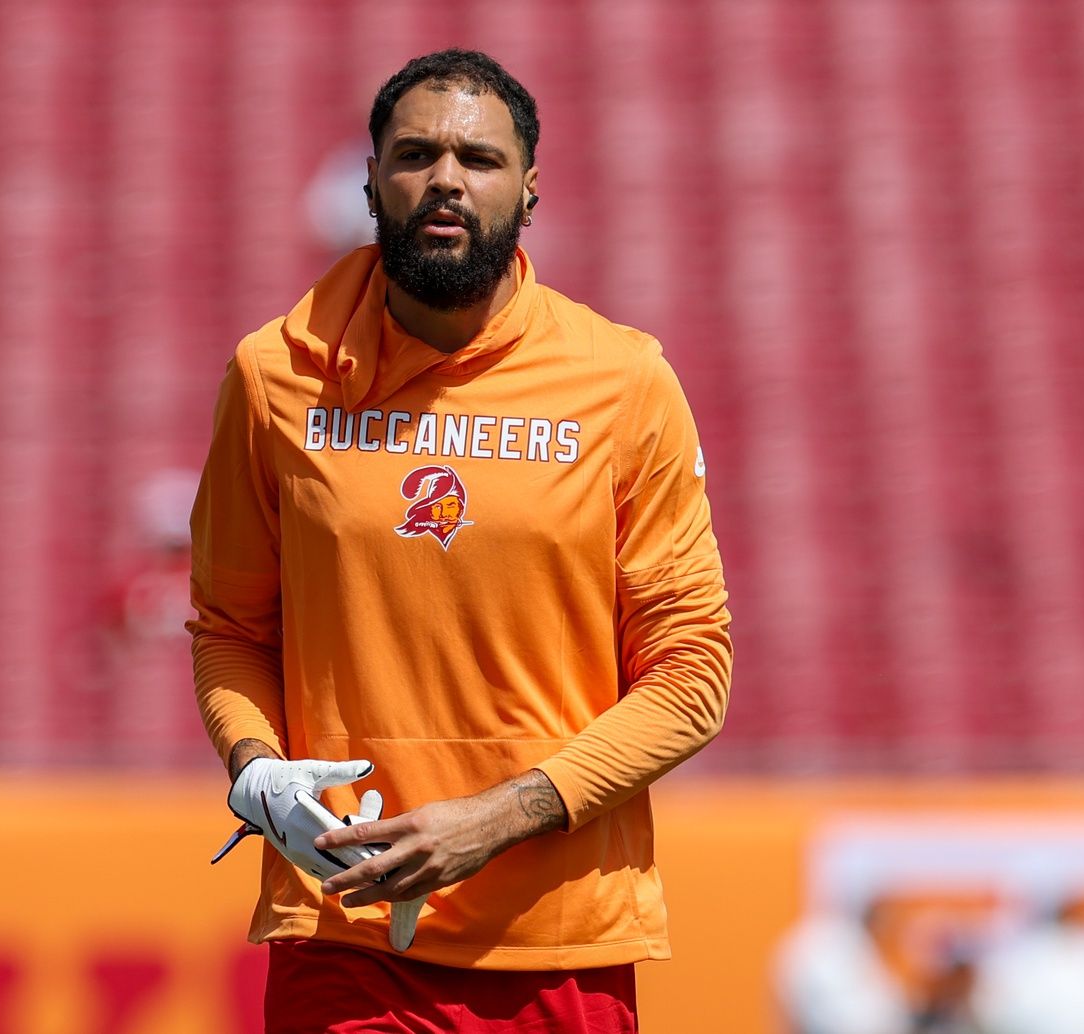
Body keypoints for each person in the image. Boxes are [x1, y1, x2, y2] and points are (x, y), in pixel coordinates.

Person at [189, 48, 732, 1033]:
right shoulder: (275, 379)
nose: (446, 176)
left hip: (561, 942)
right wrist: (256, 765)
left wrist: (497, 817)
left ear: (529, 192)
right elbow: (230, 625)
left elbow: (693, 674)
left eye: (478, 160)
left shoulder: (623, 382)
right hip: (347, 934)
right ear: (370, 181)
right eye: (416, 153)